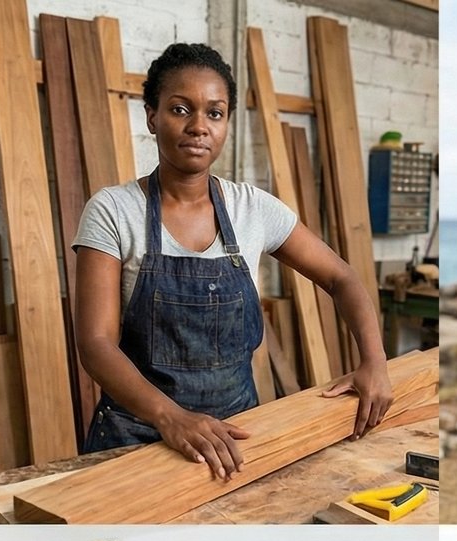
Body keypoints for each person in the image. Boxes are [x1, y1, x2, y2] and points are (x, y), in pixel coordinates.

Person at [72, 43, 393, 480]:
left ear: (226, 124)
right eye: (181, 109)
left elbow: (342, 277)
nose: (198, 127)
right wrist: (170, 418)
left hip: (237, 438)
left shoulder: (252, 208)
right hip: (137, 436)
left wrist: (373, 360)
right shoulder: (113, 210)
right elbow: (96, 343)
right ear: (152, 116)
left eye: (215, 113)